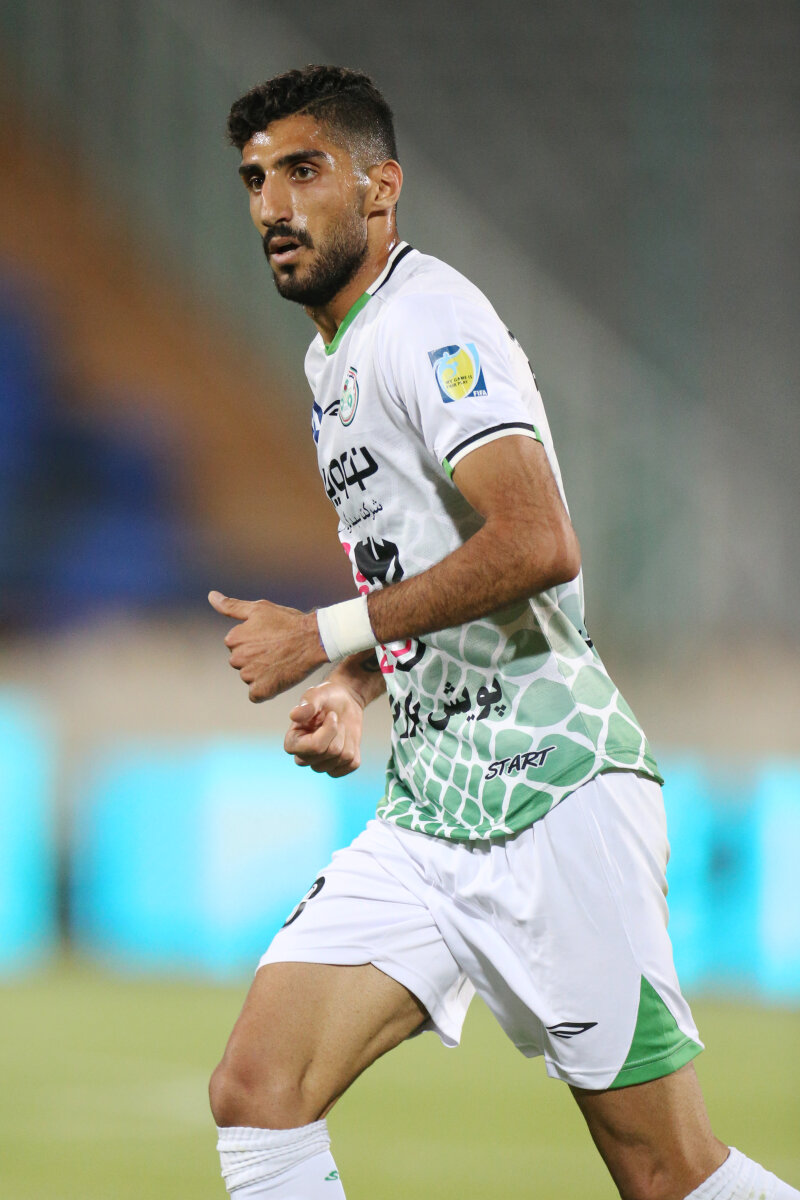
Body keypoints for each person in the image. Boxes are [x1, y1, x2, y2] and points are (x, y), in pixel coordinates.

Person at [207, 65, 798, 1200]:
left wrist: (318, 630)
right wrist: (355, 681)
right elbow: (427, 563)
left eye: (303, 171)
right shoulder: (330, 357)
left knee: (666, 1173)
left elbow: (537, 542)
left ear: (380, 188)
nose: (271, 206)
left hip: (550, 793)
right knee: (258, 1092)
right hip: (432, 809)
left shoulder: (429, 321)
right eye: (253, 180)